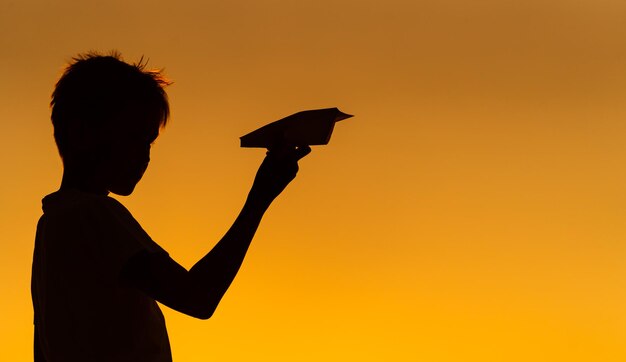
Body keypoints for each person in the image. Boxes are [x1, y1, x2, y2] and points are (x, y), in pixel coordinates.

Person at [31, 51, 311, 361]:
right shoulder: (94, 216)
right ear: (82, 133)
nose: (145, 154)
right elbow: (198, 296)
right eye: (134, 137)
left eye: (149, 141)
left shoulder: (52, 226)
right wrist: (259, 198)